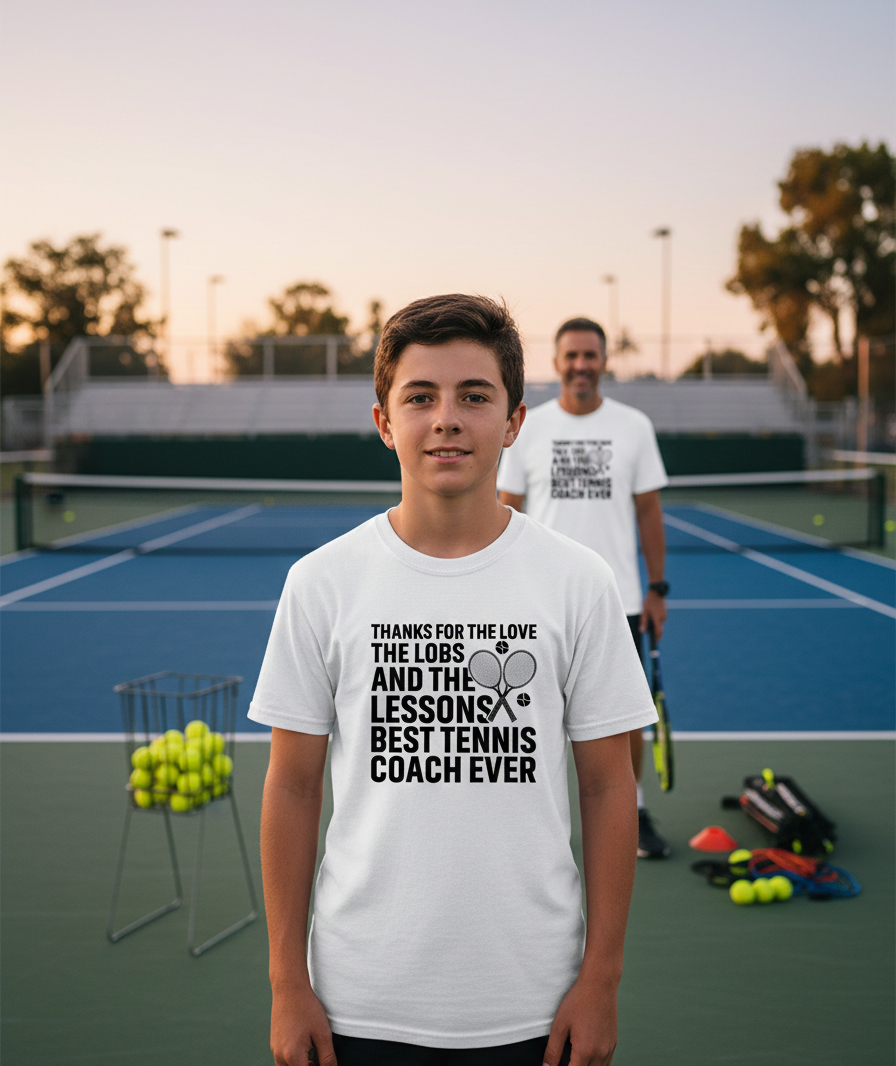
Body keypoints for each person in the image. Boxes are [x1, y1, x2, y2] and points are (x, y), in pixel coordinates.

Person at [249, 295, 658, 1066]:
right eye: (420, 397)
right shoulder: (320, 583)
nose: (447, 418)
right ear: (383, 421)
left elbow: (608, 788)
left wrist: (600, 979)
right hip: (355, 1004)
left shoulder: (580, 581)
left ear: (512, 422)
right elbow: (292, 788)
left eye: (475, 395)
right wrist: (285, 983)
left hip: (536, 1005)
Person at [497, 317, 671, 860]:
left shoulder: (634, 426)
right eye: (571, 356)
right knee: (528, 719)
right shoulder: (527, 428)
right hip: (537, 601)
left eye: (590, 356)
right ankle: (528, 822)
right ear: (556, 362)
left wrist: (657, 588)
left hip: (616, 602)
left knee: (623, 722)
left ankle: (634, 810)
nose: (580, 365)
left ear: (603, 361)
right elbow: (506, 510)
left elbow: (649, 511)